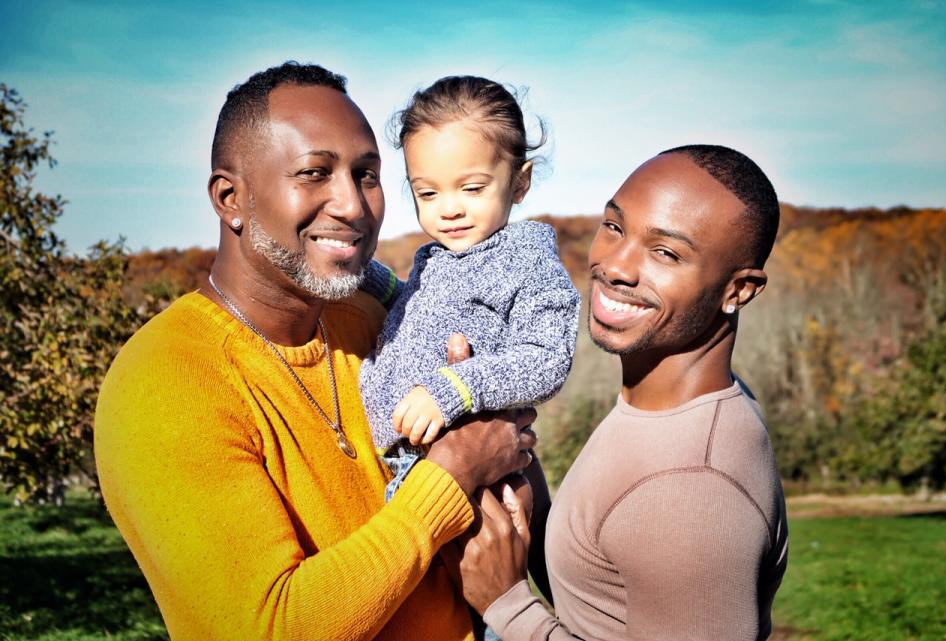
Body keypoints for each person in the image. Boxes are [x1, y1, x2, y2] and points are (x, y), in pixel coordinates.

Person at [94, 62, 538, 641]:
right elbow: (270, 628)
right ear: (231, 198)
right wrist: (448, 477)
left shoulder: (372, 316)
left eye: (368, 175)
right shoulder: (165, 380)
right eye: (314, 173)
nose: (352, 205)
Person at [459, 145, 790, 641]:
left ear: (737, 291)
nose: (615, 266)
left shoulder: (692, 487)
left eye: (666, 253)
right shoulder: (669, 405)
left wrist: (508, 607)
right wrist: (515, 455)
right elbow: (604, 584)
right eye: (614, 227)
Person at [358, 75, 579, 501]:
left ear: (519, 182)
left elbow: (545, 359)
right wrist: (366, 276)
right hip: (403, 462)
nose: (450, 208)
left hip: (466, 470)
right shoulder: (437, 256)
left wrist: (454, 389)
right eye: (428, 192)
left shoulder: (526, 258)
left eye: (472, 188)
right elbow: (423, 308)